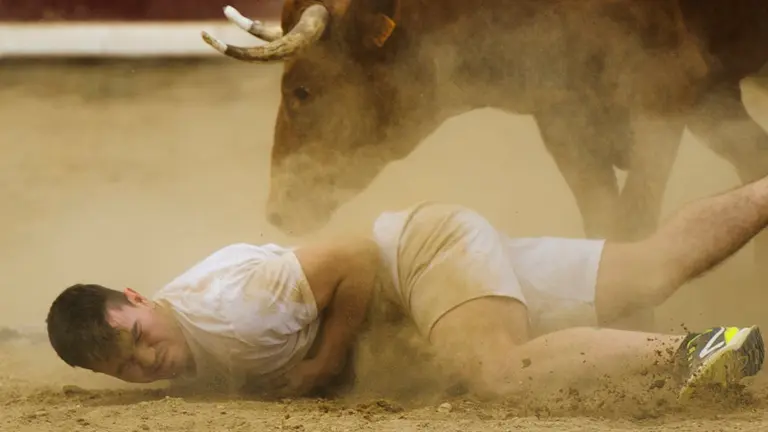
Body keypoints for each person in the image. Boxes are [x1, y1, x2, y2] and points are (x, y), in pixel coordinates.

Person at [46, 174, 768, 401]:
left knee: (497, 370)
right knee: (650, 268)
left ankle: (728, 355)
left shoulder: (232, 304)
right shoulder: (182, 332)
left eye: (139, 341)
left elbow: (355, 255)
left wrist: (328, 362)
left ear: (138, 299)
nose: (149, 363)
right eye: (127, 369)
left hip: (424, 258)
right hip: (439, 258)